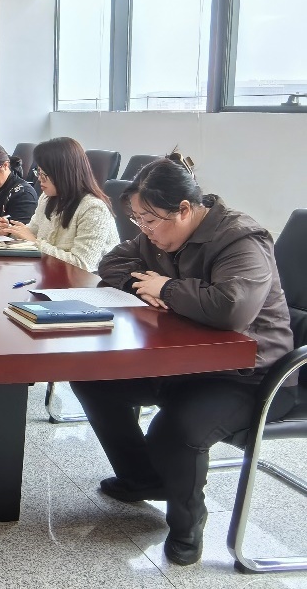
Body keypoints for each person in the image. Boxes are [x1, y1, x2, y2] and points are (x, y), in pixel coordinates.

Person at [70, 158, 295, 566]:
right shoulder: (159, 235)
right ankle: (143, 479)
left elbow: (231, 309)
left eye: (149, 220)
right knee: (92, 377)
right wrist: (143, 284)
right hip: (188, 361)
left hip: (253, 374)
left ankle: (187, 526)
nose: (144, 230)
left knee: (174, 430)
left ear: (185, 210)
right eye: (138, 220)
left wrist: (167, 288)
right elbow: (111, 262)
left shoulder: (240, 239)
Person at [0, 137, 118, 271]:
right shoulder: (47, 198)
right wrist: (8, 231)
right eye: (38, 172)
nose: (39, 179)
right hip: (52, 273)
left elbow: (82, 265)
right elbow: (32, 232)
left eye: (44, 174)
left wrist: (35, 242)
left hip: (88, 281)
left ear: (64, 173)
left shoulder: (93, 209)